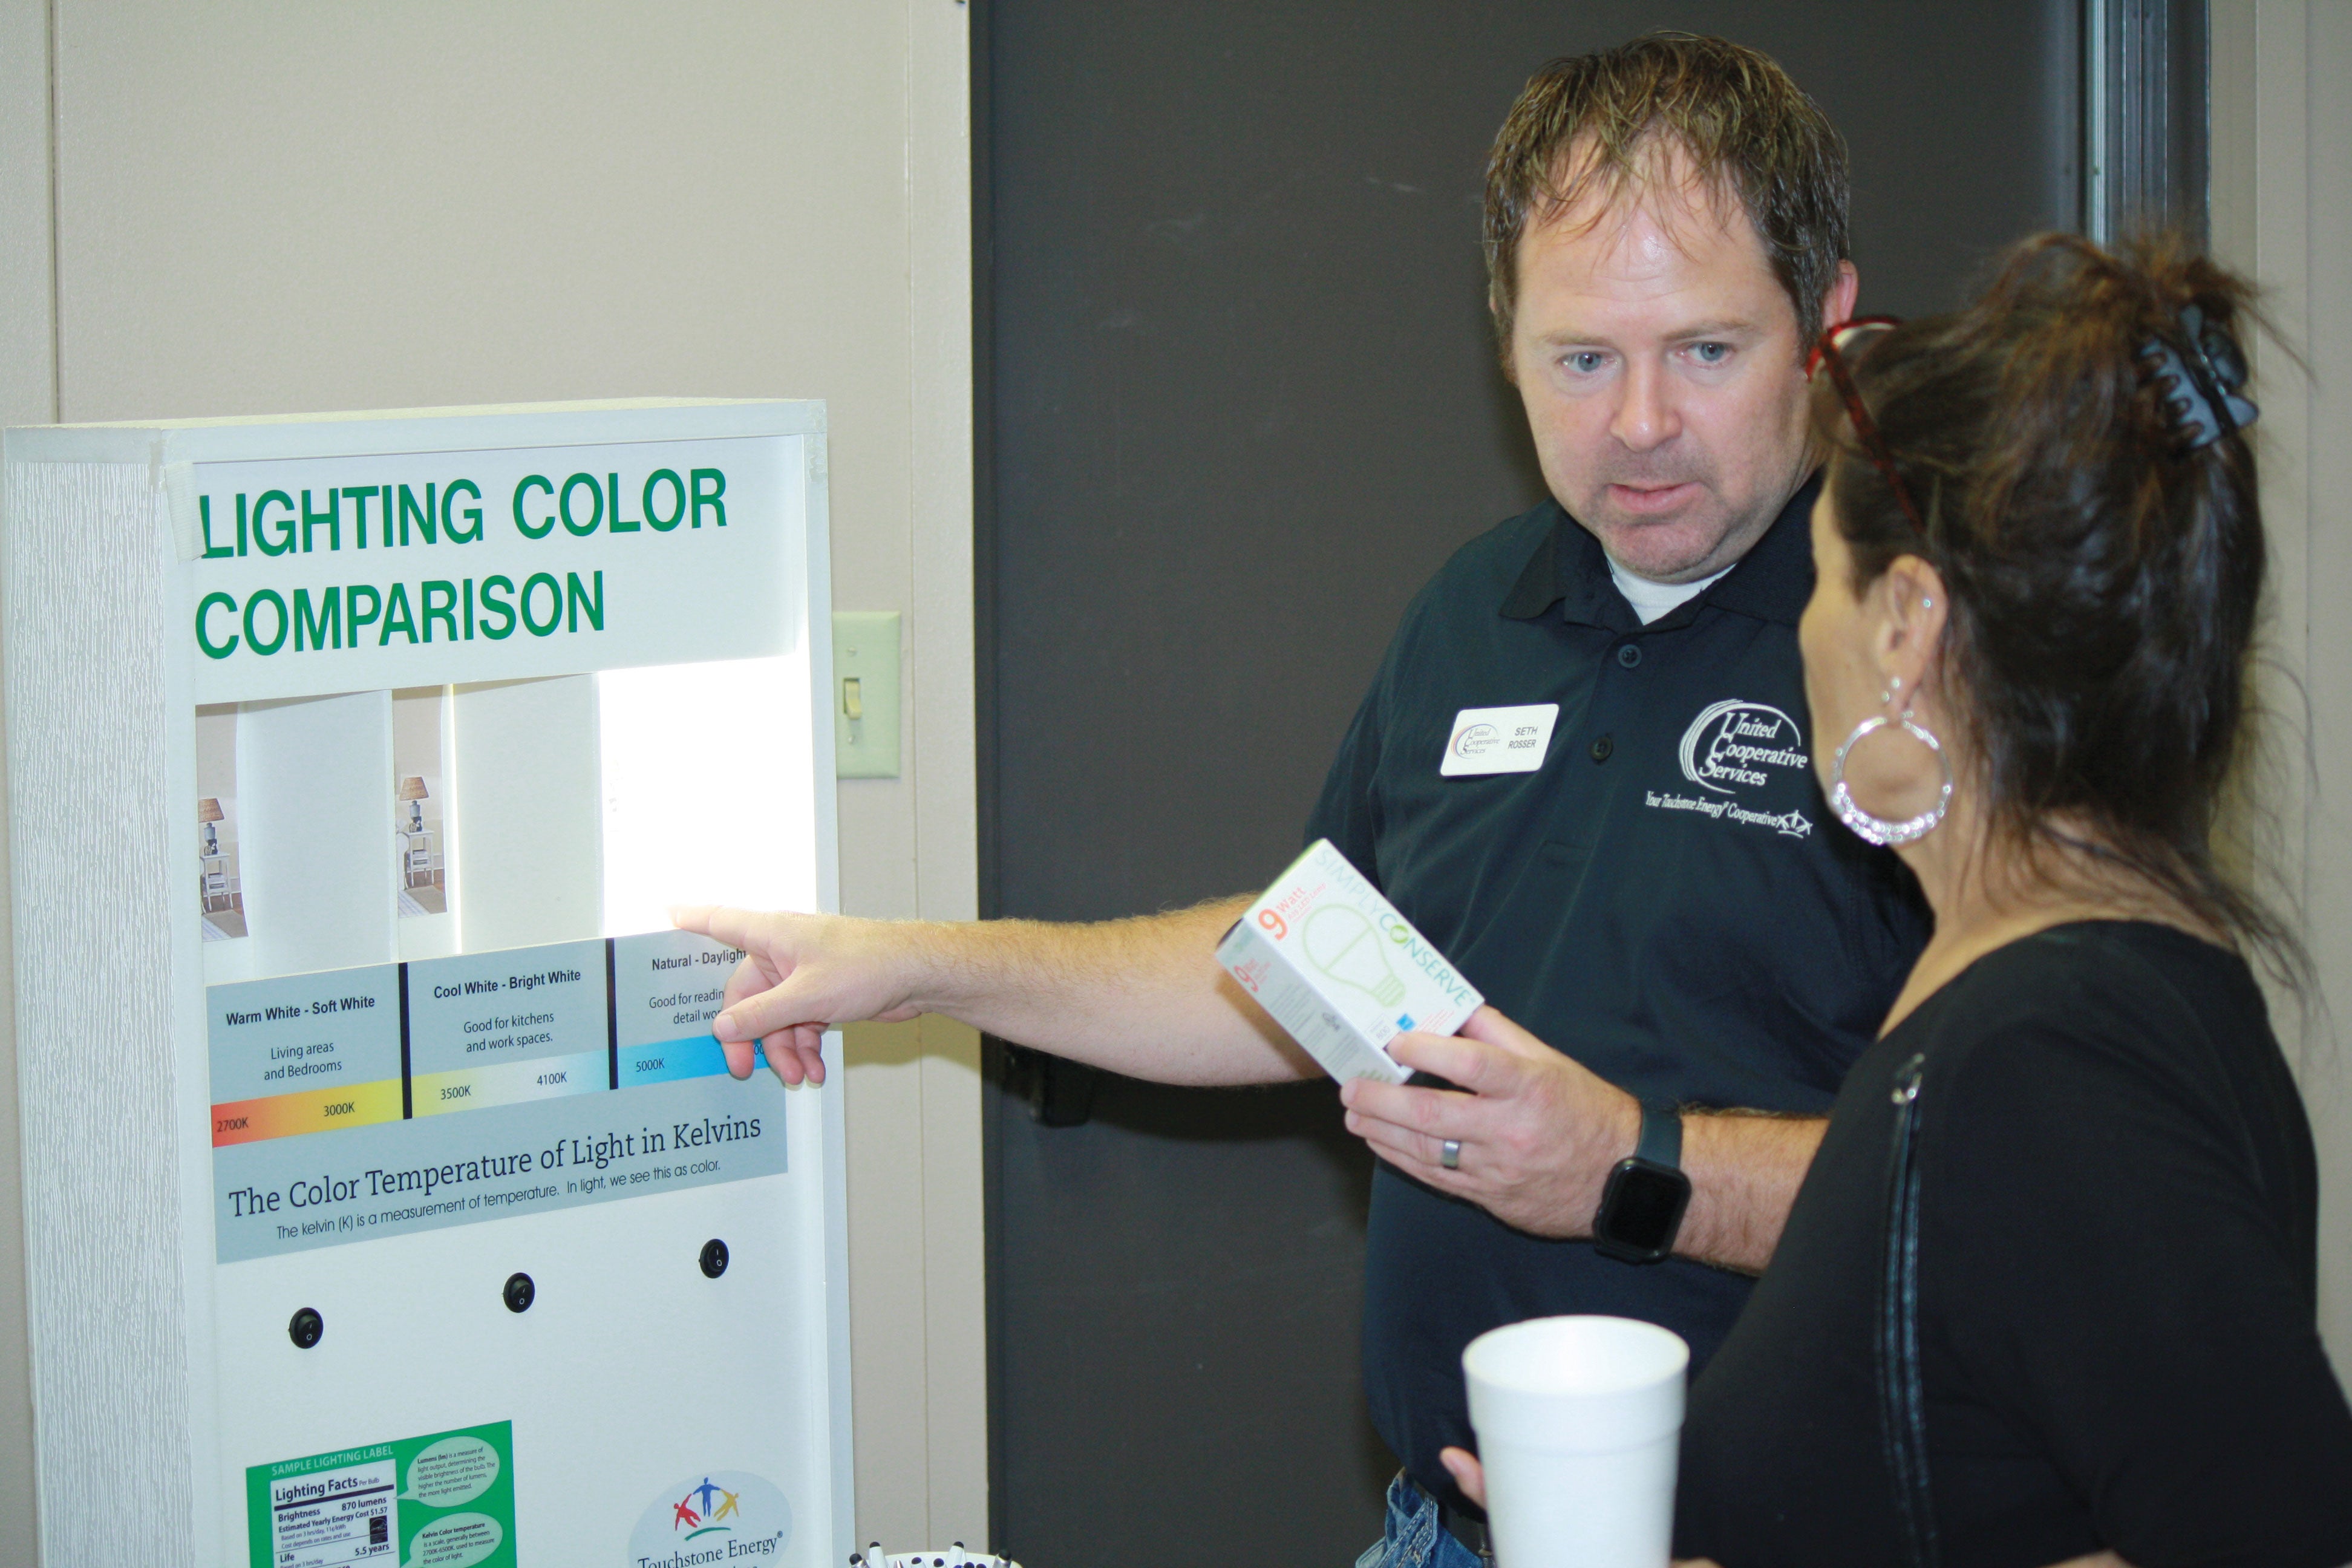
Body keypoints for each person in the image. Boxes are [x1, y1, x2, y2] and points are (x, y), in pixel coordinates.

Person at [679, 35, 1930, 1568]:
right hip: (1445, 1532)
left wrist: (1627, 1164)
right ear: (1506, 346)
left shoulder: (1918, 645)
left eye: (1708, 351)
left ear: (1829, 325)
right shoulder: (1482, 611)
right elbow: (1299, 968)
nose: (1642, 423)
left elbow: (2011, 1189)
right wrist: (920, 967)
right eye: (1582, 358)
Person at [1655, 235, 2352, 1564]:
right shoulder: (2074, 989)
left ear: (1908, 625)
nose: (1806, 632)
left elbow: (2278, 1533)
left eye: (1818, 578)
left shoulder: (2051, 1053)